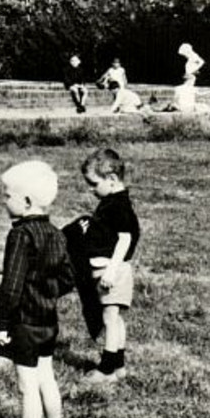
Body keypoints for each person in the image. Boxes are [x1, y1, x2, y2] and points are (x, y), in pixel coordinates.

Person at [0, 160, 75, 418]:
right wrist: (47, 292)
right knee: (46, 378)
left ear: (25, 202)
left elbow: (11, 286)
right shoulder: (56, 234)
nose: (4, 200)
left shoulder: (20, 236)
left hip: (23, 321)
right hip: (47, 320)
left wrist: (3, 323)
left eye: (7, 195)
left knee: (27, 386)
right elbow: (68, 277)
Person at [76, 149, 142, 383]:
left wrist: (112, 271)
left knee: (109, 319)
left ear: (112, 179)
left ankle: (106, 370)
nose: (91, 189)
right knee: (114, 318)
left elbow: (125, 239)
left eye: (94, 184)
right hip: (107, 270)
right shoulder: (112, 201)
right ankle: (119, 366)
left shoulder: (118, 206)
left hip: (112, 272)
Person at [169, 43, 204, 113]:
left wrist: (195, 69)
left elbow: (201, 62)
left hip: (191, 72)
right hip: (189, 73)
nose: (184, 56)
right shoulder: (188, 61)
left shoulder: (194, 56)